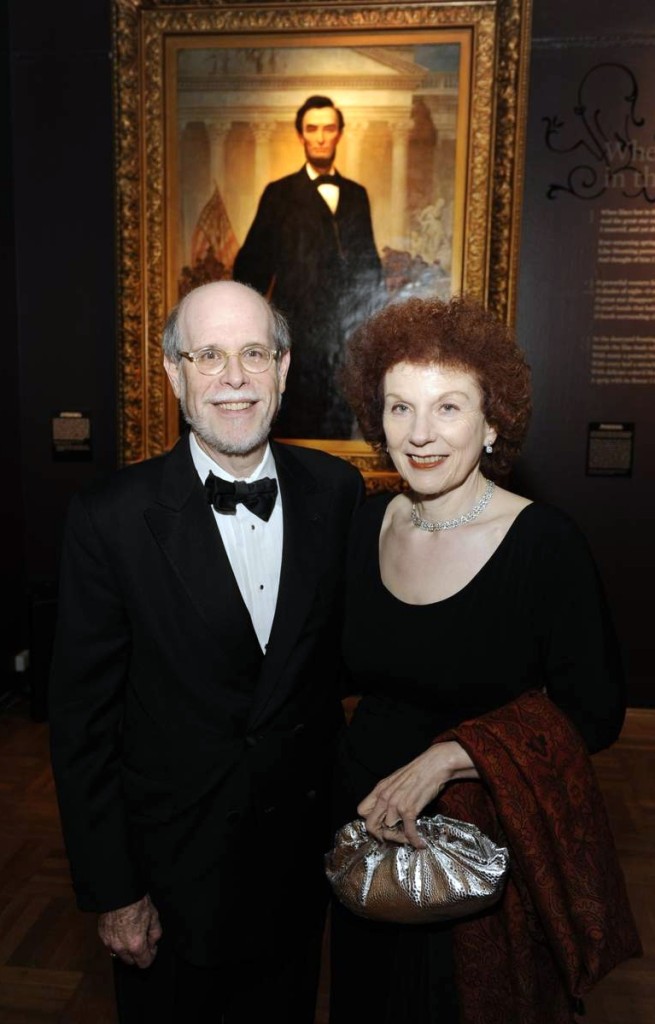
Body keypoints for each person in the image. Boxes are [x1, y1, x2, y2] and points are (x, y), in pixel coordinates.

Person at [48, 280, 365, 1024]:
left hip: (297, 870)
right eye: (209, 355)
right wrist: (115, 890)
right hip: (170, 883)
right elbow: (81, 726)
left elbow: (350, 666)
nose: (233, 378)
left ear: (284, 369)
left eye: (254, 353)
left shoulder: (336, 491)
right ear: (173, 373)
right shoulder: (110, 520)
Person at [328, 295, 641, 1024]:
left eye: (447, 408)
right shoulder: (366, 522)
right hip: (365, 833)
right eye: (399, 408)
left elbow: (595, 712)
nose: (420, 434)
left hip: (480, 847)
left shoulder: (543, 543)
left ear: (492, 419)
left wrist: (449, 758)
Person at [233, 94, 384, 439]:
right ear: (301, 135)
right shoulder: (278, 194)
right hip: (294, 346)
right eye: (312, 129)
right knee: (297, 434)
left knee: (340, 430)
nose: (320, 136)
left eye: (328, 128)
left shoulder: (356, 195)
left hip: (345, 345)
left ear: (339, 133)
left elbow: (370, 268)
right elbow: (249, 270)